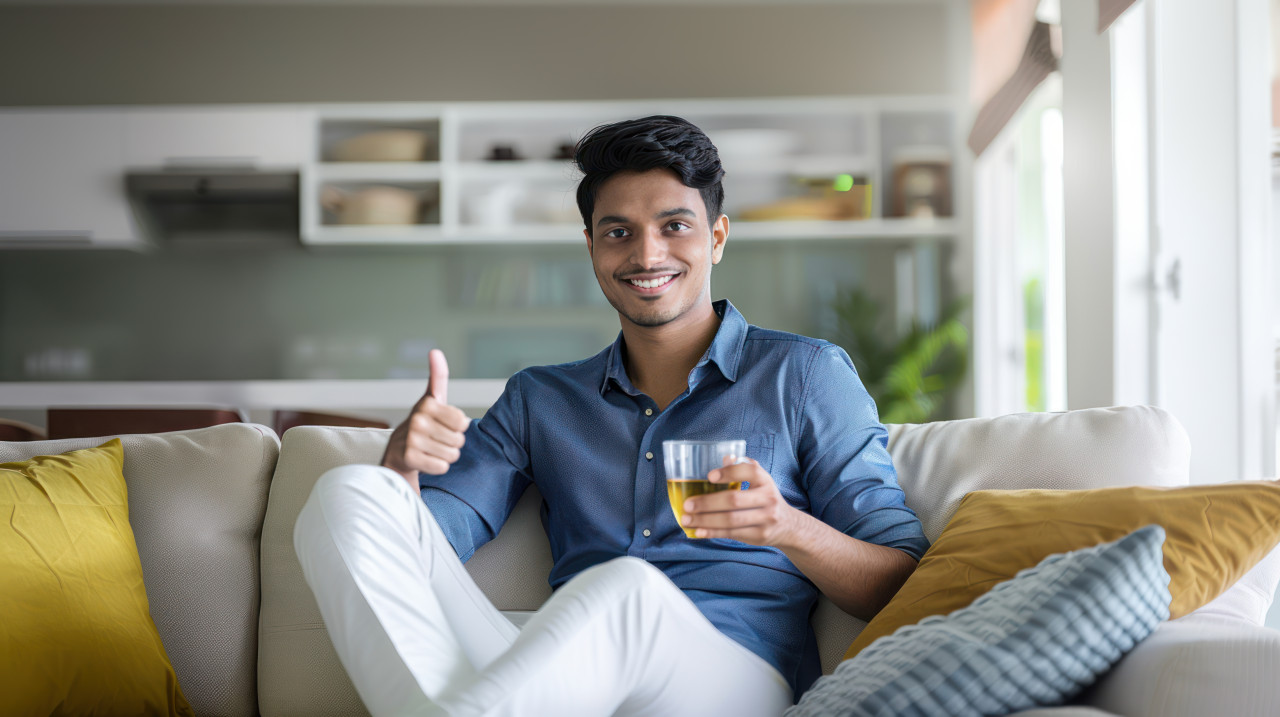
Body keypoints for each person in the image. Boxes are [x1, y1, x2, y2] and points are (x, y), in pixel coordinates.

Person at [294, 115, 929, 717]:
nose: (646, 254)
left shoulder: (806, 374)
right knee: (349, 492)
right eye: (618, 231)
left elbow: (901, 583)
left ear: (717, 236)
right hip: (569, 679)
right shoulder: (540, 399)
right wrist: (400, 470)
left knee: (628, 590)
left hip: (730, 678)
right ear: (592, 246)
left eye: (675, 225)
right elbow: (418, 548)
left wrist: (789, 527)